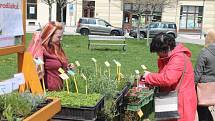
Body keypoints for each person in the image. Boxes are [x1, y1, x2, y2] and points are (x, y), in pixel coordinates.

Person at [142, 33, 197, 121]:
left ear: (165, 49)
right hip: (174, 100)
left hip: (181, 103)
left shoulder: (178, 58)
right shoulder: (171, 57)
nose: (157, 55)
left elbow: (168, 79)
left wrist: (149, 77)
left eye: (157, 52)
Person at [40, 21, 72, 91]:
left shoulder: (57, 48)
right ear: (49, 35)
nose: (61, 39)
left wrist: (68, 68)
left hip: (59, 90)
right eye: (59, 37)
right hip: (47, 91)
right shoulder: (41, 50)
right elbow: (37, 72)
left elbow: (60, 68)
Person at [194, 29, 215, 121]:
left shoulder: (204, 52)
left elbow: (198, 72)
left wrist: (193, 84)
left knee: (201, 108)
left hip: (203, 86)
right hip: (213, 84)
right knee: (206, 109)